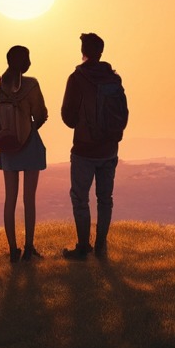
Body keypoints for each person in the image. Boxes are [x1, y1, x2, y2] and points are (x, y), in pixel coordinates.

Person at [60, 32, 125, 259]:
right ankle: (101, 246)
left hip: (84, 150)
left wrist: (83, 123)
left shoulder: (77, 78)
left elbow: (67, 117)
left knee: (81, 198)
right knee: (104, 198)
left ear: (83, 52)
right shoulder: (113, 79)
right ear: (101, 51)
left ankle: (83, 247)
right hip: (109, 149)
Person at [0, 45, 48, 262]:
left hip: (7, 146)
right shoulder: (31, 85)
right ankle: (29, 248)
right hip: (29, 145)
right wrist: (29, 128)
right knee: (28, 199)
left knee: (10, 199)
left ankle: (13, 250)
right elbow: (41, 114)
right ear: (23, 61)